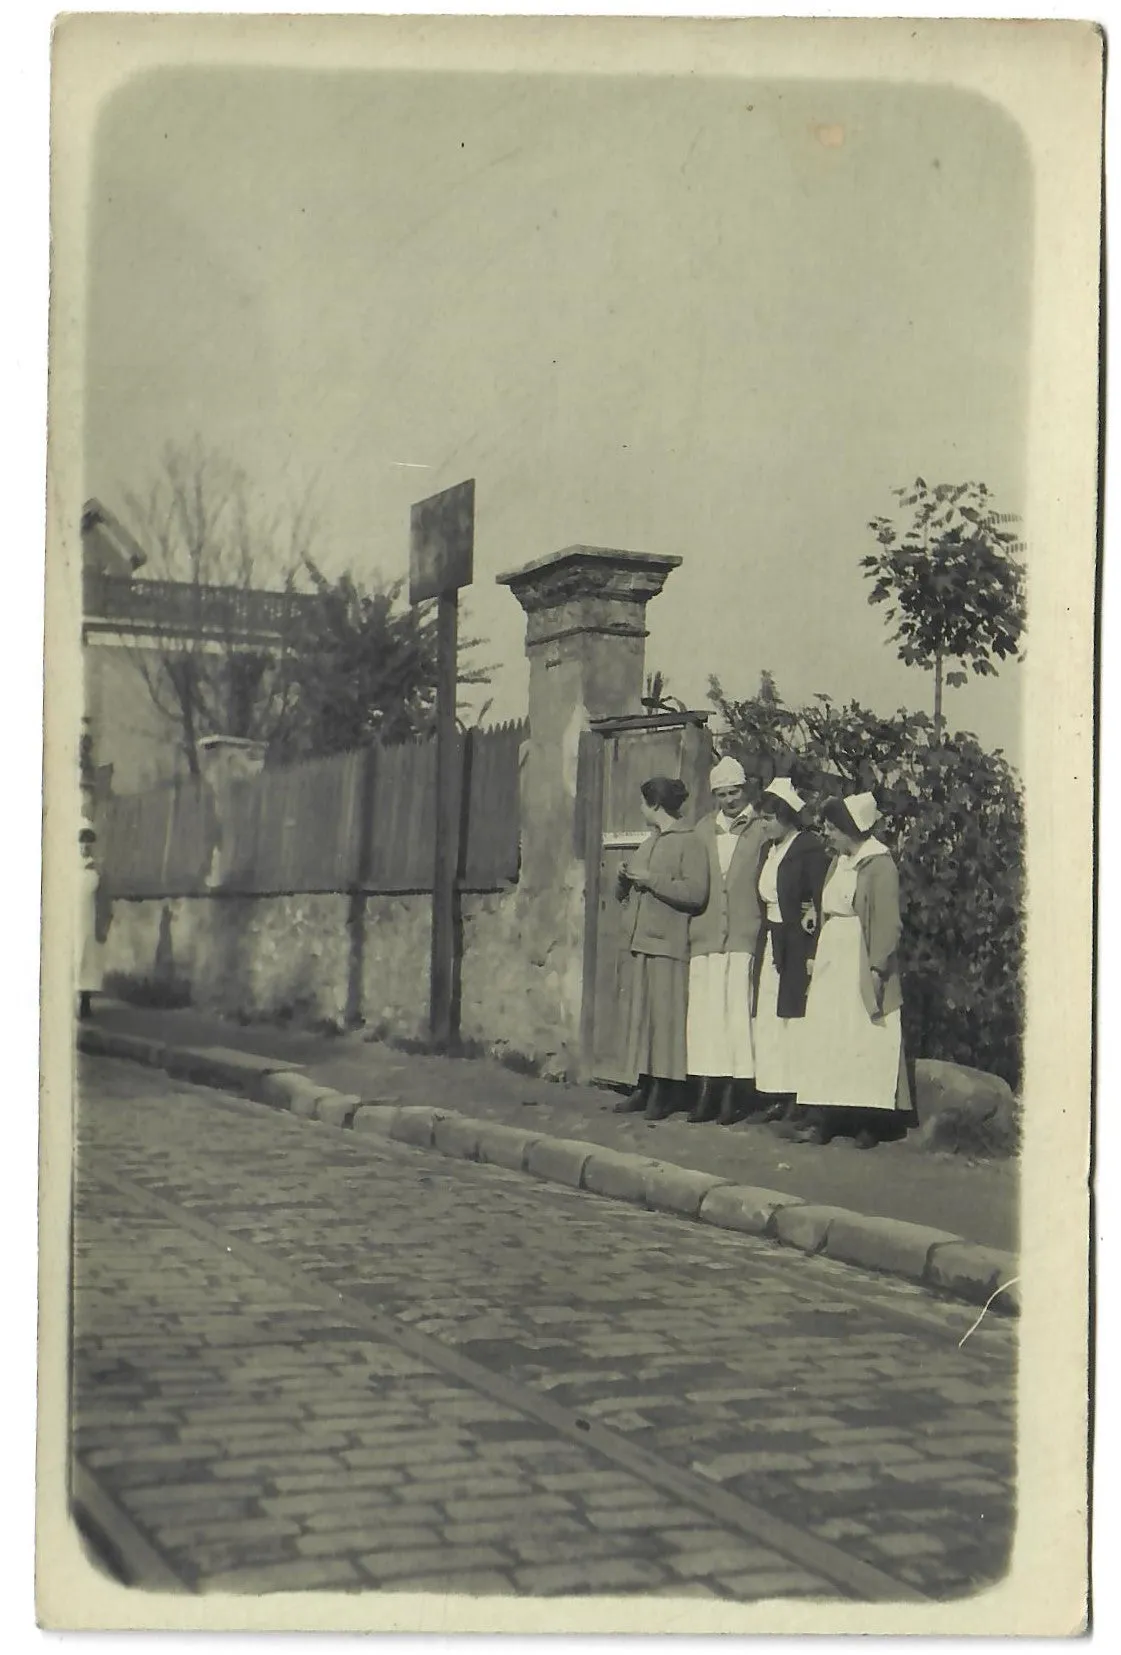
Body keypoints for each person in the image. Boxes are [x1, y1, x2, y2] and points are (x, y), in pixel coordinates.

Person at [794, 792, 912, 1149]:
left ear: (851, 828)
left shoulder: (879, 865)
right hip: (834, 957)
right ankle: (826, 1117)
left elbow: (888, 923)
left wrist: (877, 968)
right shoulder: (839, 862)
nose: (827, 832)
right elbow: (831, 905)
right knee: (829, 1035)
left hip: (861, 959)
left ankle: (869, 1121)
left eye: (833, 827)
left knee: (865, 1036)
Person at [614, 776, 710, 1122]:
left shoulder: (691, 842)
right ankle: (643, 1084)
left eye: (643, 803)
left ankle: (666, 1091)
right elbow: (626, 893)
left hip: (669, 943)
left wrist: (650, 881)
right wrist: (624, 878)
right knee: (642, 1019)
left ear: (655, 805)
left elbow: (696, 893)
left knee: (665, 1022)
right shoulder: (650, 841)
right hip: (642, 940)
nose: (640, 810)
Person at [685, 756, 770, 1125]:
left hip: (742, 933)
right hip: (706, 934)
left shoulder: (760, 829)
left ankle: (733, 1096)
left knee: (736, 1015)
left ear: (745, 789)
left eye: (733, 793)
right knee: (705, 1018)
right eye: (721, 795)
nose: (728, 801)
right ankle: (705, 1090)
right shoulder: (703, 829)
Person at [751, 777, 829, 1120]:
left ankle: (798, 1096)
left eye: (769, 819)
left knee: (794, 1017)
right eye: (762, 820)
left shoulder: (808, 848)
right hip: (771, 939)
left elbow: (822, 896)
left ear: (786, 817)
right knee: (769, 1017)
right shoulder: (770, 850)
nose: (764, 826)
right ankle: (774, 1093)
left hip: (796, 942)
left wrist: (812, 916)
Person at [78, 827, 110, 1020]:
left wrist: (103, 925)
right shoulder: (71, 869)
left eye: (88, 845)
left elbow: (104, 901)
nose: (85, 848)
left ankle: (85, 1002)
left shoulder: (97, 872)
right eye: (82, 845)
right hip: (73, 921)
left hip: (88, 922)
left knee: (87, 963)